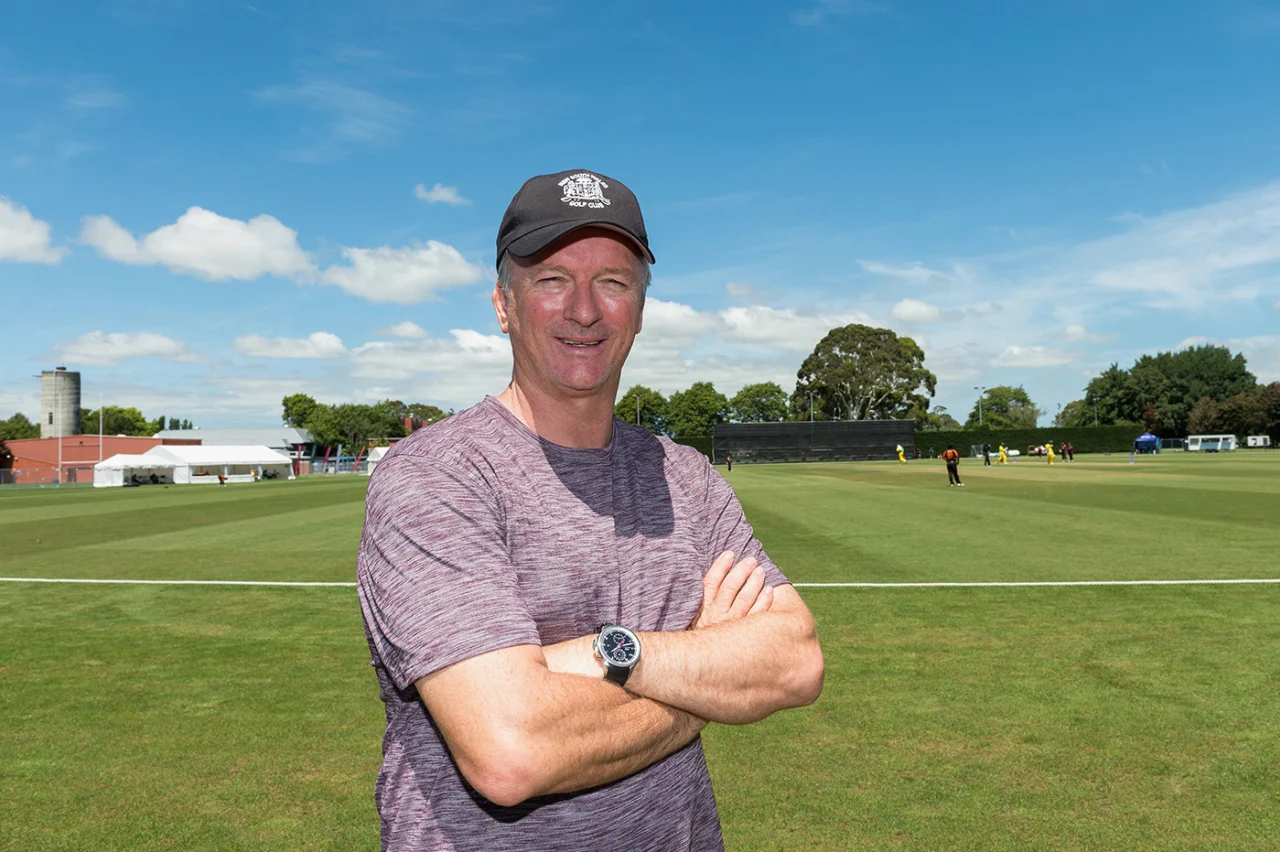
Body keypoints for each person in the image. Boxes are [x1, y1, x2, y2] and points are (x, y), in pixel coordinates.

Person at [356, 169, 824, 851]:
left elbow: (795, 661)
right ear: (503, 305)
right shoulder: (436, 477)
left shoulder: (685, 477)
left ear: (639, 307)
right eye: (551, 279)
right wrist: (703, 674)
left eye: (614, 280)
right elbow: (512, 751)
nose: (584, 309)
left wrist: (599, 657)